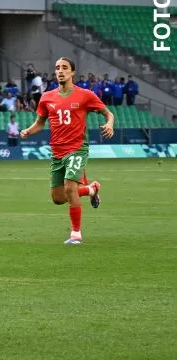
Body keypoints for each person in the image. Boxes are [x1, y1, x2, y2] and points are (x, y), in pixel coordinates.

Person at [21, 57, 113, 245]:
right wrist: (28, 131)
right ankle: (90, 189)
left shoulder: (85, 95)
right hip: (57, 151)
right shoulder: (47, 97)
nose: (60, 71)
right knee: (58, 198)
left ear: (72, 72)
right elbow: (40, 123)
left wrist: (109, 123)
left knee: (70, 187)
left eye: (64, 68)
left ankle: (76, 234)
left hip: (77, 148)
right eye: (57, 68)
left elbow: (107, 113)